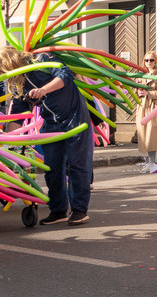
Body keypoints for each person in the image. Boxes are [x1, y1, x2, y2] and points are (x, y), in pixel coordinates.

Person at [0, 47, 93, 225]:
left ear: (8, 63)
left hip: (74, 115)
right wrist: (9, 142)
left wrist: (43, 90)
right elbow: (20, 110)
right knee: (52, 167)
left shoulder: (41, 59)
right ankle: (58, 211)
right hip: (51, 122)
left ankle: (80, 210)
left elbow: (65, 74)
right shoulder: (17, 81)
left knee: (77, 164)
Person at [136, 51, 157, 170]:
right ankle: (150, 161)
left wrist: (148, 93)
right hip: (143, 105)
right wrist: (138, 91)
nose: (149, 63)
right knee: (145, 135)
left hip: (155, 106)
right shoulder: (141, 74)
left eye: (151, 60)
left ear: (156, 61)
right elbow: (136, 88)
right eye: (146, 60)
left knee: (155, 134)